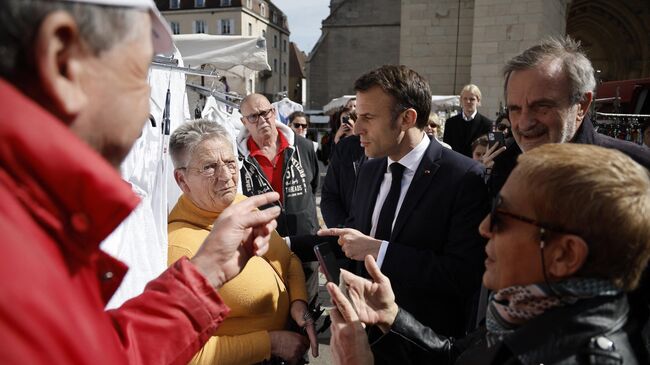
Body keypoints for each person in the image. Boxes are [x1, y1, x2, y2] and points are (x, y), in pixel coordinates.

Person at [0, 0, 282, 363]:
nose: (147, 102)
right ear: (63, 58)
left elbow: (105, 353)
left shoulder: (37, 212)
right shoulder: (19, 241)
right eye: (138, 71)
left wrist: (208, 270)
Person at [328, 143, 650, 364]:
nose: (483, 227)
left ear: (565, 254)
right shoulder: (528, 308)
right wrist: (393, 317)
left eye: (501, 216)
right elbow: (456, 357)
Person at [317, 65, 489, 364]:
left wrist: (380, 251)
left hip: (424, 347)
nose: (357, 128)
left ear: (407, 118)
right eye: (357, 117)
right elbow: (356, 236)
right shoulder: (370, 169)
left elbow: (463, 275)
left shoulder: (463, 177)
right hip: (365, 340)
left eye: (368, 117)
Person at [168, 120, 318, 365]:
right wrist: (271, 344)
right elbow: (184, 354)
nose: (226, 176)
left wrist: (298, 302)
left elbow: (287, 260)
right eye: (209, 167)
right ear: (182, 180)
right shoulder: (179, 248)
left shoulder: (240, 204)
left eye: (229, 163)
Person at [237, 93, 320, 237]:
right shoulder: (238, 159)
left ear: (273, 112)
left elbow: (313, 188)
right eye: (253, 117)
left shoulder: (304, 147)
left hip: (305, 241)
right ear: (244, 122)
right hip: (265, 244)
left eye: (265, 113)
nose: (262, 121)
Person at [443, 84, 493, 157]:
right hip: (455, 164)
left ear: (478, 100)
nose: (468, 101)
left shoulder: (486, 124)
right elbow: (446, 148)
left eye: (472, 99)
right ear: (461, 100)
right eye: (465, 98)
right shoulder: (450, 123)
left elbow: (488, 148)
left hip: (476, 165)